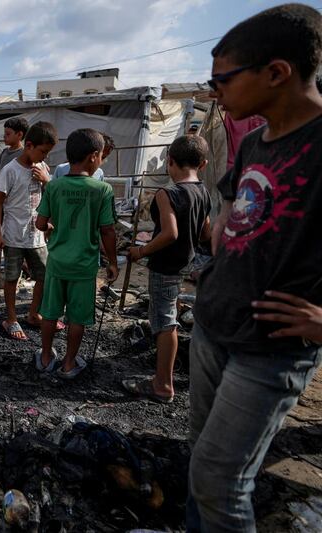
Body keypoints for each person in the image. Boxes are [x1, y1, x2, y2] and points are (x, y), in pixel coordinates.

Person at [186, 5, 322, 531]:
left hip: (270, 346)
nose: (216, 91)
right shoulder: (254, 141)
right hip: (215, 324)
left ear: (276, 72)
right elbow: (231, 208)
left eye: (223, 79)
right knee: (201, 463)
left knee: (222, 481)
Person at [121, 135, 212, 403]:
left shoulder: (167, 193)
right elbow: (206, 233)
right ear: (203, 164)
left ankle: (162, 384)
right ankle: (164, 378)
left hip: (166, 265)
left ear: (169, 161)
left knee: (164, 323)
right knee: (167, 317)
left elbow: (170, 233)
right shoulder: (203, 192)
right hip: (186, 262)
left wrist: (141, 250)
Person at [35, 129, 117, 378]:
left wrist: (51, 226)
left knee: (49, 313)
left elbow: (40, 223)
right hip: (84, 265)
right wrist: (112, 262)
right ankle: (69, 363)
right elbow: (107, 231)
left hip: (57, 262)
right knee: (77, 318)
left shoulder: (54, 186)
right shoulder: (102, 189)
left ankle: (46, 356)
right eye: (101, 155)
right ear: (93, 156)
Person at [0, 121, 56, 341]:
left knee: (46, 275)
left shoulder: (44, 170)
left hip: (37, 235)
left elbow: (51, 198)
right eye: (43, 152)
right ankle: (10, 318)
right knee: (12, 278)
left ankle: (33, 313)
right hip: (13, 235)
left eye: (47, 153)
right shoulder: (10, 170)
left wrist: (47, 181)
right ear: (29, 145)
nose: (45, 157)